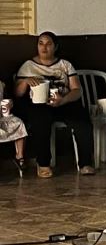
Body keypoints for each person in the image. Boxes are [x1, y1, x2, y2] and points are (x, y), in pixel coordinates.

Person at [14, 31, 95, 177]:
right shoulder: (28, 66)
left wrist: (63, 100)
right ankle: (43, 164)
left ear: (55, 47)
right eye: (41, 43)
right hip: (39, 104)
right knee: (40, 121)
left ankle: (85, 163)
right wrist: (25, 81)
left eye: (48, 44)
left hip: (63, 101)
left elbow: (77, 90)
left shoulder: (65, 65)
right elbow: (18, 93)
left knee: (82, 120)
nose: (44, 47)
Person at [0, 80, 28, 175]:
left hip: (2, 117)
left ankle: (19, 156)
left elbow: (8, 100)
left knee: (18, 122)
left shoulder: (1, 84)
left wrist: (9, 104)